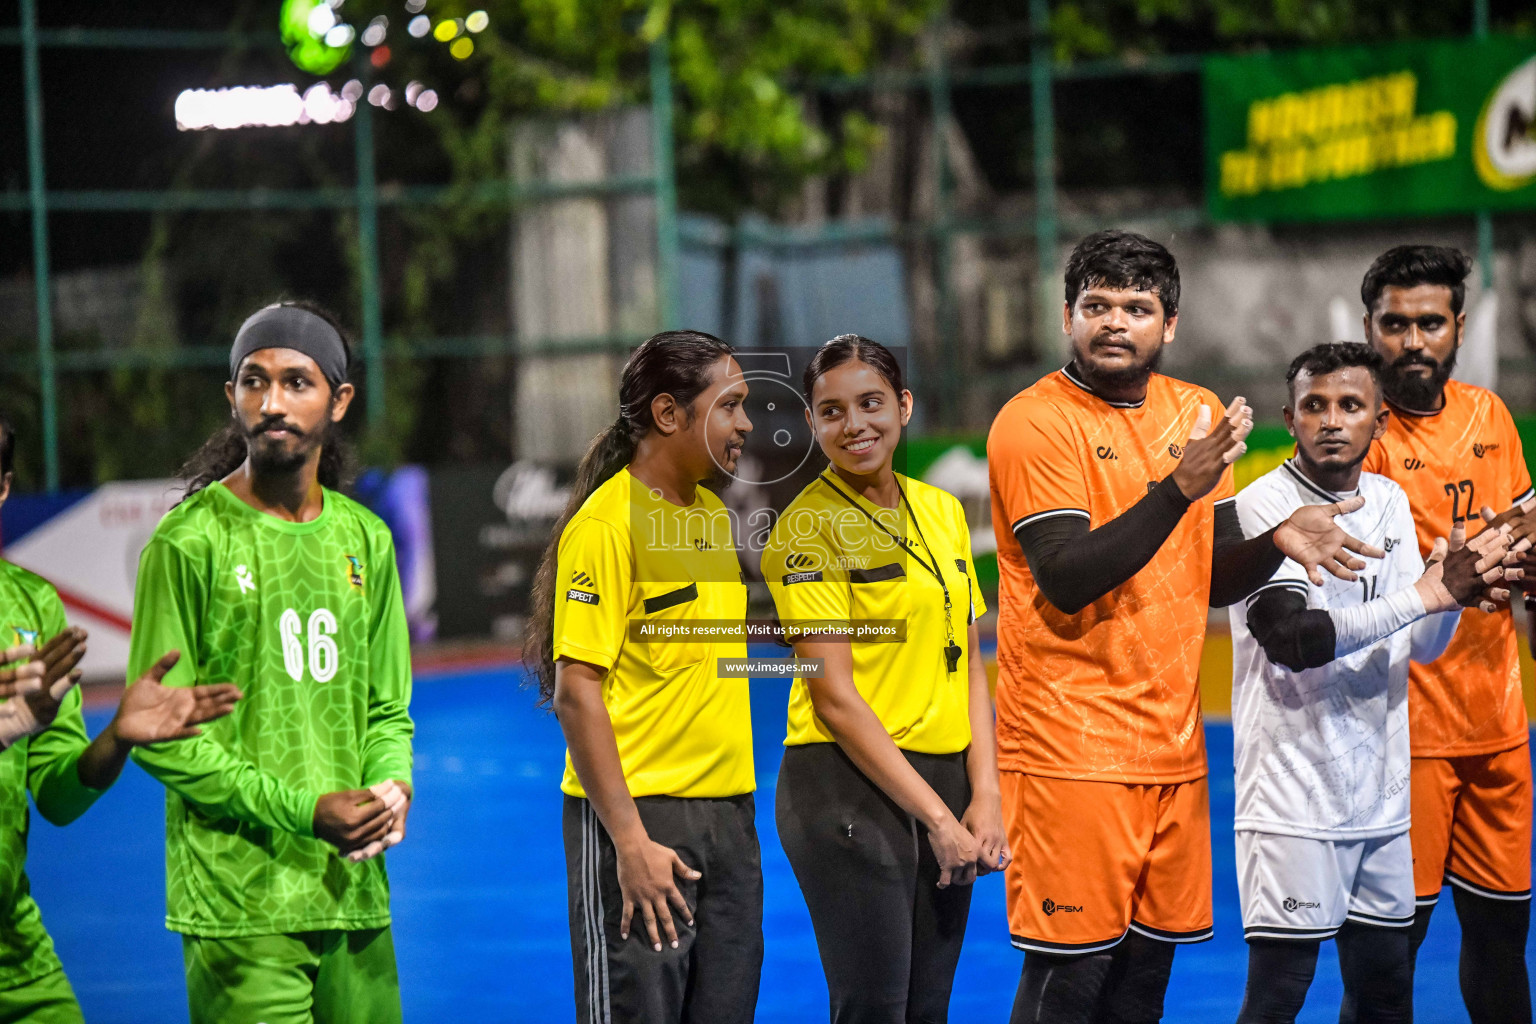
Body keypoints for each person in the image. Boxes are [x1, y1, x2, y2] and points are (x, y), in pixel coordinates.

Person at [987, 230, 1383, 1024]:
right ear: (1067, 315)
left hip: (1171, 749)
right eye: (1096, 305)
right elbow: (1066, 580)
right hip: (1070, 748)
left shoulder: (1195, 413)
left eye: (1138, 307)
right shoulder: (1033, 423)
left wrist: (1276, 544)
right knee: (1071, 974)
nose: (1114, 322)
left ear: (1168, 325)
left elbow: (1202, 577)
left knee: (1141, 982)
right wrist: (1177, 487)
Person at [126, 302, 416, 1024]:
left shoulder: (367, 541)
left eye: (296, 382)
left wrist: (391, 786)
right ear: (232, 397)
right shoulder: (188, 544)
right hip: (240, 905)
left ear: (339, 401)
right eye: (253, 382)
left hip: (351, 893)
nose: (272, 402)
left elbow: (387, 708)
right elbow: (162, 736)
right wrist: (301, 811)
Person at [1228, 343, 1518, 1024]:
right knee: (1278, 993)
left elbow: (1416, 641)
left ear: (1379, 423)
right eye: (1315, 406)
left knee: (1386, 989)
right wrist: (1422, 596)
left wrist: (1449, 600)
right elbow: (1296, 642)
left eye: (1350, 406)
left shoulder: (1387, 500)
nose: (1332, 420)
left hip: (1381, 801)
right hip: (1291, 800)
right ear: (1289, 419)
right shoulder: (1261, 508)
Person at [761, 335, 1007, 1024]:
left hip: (945, 781)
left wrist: (984, 793)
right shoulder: (807, 529)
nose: (855, 425)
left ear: (903, 406)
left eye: (871, 403)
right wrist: (935, 816)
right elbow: (834, 698)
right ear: (813, 424)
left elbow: (967, 661)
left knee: (928, 1009)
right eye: (831, 412)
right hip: (845, 789)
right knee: (874, 1008)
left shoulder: (942, 512)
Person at [524, 330, 761, 1024]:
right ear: (668, 414)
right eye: (730, 406)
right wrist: (629, 843)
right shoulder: (606, 525)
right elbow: (576, 694)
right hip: (641, 822)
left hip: (728, 820)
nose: (746, 423)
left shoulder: (715, 518)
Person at [0, 414, 241, 1024]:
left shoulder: (32, 605)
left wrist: (116, 739)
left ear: (4, 486)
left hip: (14, 950)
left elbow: (56, 797)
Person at [1355, 246, 1535, 1024]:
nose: (1414, 341)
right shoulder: (1353, 432)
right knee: (1390, 964)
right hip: (1401, 737)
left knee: (1502, 945)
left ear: (1458, 326)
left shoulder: (1488, 413)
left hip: (1495, 728)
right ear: (1371, 329)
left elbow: (1524, 532)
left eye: (1431, 322)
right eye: (1396, 324)